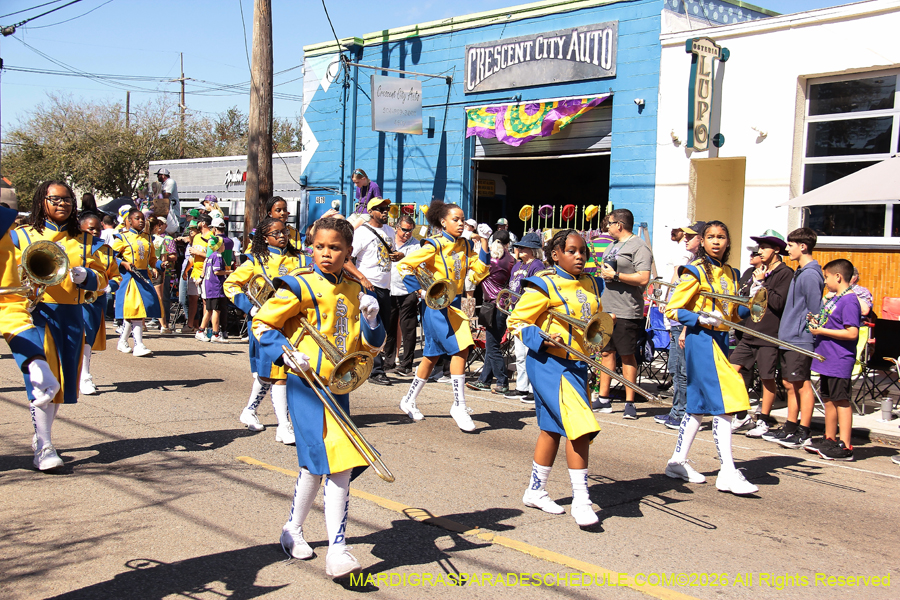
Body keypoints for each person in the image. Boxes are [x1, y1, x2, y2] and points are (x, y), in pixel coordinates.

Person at [253, 216, 385, 579]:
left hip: (338, 388)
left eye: (336, 248)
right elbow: (262, 324)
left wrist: (374, 322)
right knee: (338, 465)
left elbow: (369, 349)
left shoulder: (356, 291)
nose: (326, 254)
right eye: (320, 246)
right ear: (312, 246)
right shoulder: (297, 284)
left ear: (349, 252)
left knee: (317, 463)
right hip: (305, 385)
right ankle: (338, 551)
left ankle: (292, 529)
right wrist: (286, 352)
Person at [507, 229, 604, 526]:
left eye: (582, 251)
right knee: (580, 428)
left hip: (578, 365)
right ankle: (581, 498)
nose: (579, 256)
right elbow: (517, 321)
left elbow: (597, 323)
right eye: (572, 251)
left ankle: (535, 490)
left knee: (552, 429)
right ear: (555, 254)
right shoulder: (542, 285)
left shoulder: (592, 283)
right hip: (549, 363)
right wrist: (542, 339)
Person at [9, 182, 108, 471]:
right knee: (41, 383)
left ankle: (43, 437)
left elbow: (103, 279)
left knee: (60, 385)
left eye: (67, 199)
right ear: (42, 201)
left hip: (72, 315)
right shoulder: (21, 235)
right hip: (36, 314)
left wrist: (88, 276)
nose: (62, 204)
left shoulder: (85, 239)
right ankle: (45, 445)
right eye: (55, 199)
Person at [662, 220, 758, 495]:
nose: (716, 241)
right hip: (700, 340)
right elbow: (673, 309)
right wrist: (700, 318)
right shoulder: (694, 271)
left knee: (697, 406)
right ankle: (727, 470)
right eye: (711, 237)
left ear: (728, 242)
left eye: (722, 237)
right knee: (727, 400)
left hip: (719, 340)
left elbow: (731, 315)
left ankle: (677, 461)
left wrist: (752, 304)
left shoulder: (732, 273)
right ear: (702, 241)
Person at [396, 199, 490, 431]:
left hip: (455, 302)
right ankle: (459, 405)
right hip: (436, 305)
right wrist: (420, 290)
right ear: (443, 221)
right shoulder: (434, 245)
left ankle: (408, 399)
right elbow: (404, 266)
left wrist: (486, 242)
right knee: (462, 348)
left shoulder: (465, 246)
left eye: (462, 220)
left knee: (432, 356)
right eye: (455, 220)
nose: (461, 224)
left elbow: (480, 270)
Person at [224, 217, 310, 442]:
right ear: (264, 238)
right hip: (266, 323)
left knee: (268, 373)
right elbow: (230, 284)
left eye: (285, 232)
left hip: (292, 323)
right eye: (276, 233)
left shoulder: (299, 257)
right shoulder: (256, 259)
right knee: (279, 374)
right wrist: (250, 308)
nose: (282, 236)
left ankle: (250, 410)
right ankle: (284, 425)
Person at [764, 228, 824, 449]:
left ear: (803, 246)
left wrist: (807, 332)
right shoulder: (801, 271)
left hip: (800, 338)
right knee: (790, 383)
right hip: (789, 336)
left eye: (790, 245)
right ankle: (790, 426)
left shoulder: (809, 274)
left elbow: (815, 309)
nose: (787, 249)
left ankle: (804, 431)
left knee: (801, 383)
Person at [729, 231, 793, 438]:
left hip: (769, 334)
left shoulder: (785, 273)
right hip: (749, 330)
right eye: (759, 247)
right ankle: (741, 414)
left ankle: (764, 419)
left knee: (767, 377)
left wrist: (762, 283)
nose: (760, 251)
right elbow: (745, 299)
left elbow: (778, 303)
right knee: (732, 370)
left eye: (764, 247)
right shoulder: (755, 271)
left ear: (776, 250)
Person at [596, 208, 652, 419]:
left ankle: (630, 401)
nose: (607, 227)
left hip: (627, 310)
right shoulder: (612, 245)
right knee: (606, 353)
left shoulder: (639, 246)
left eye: (609, 223)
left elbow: (644, 278)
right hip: (608, 307)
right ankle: (603, 398)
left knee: (627, 355)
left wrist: (617, 276)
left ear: (619, 225)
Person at [805, 259, 861, 461]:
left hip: (839, 359)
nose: (826, 281)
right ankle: (830, 438)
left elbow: (852, 332)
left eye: (827, 277)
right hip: (826, 357)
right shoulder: (836, 298)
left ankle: (845, 445)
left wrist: (821, 330)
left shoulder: (849, 300)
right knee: (828, 399)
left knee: (841, 400)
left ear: (838, 276)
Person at [344, 197, 401, 386]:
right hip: (368, 286)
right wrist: (362, 278)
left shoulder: (389, 231)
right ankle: (376, 370)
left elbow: (388, 254)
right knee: (373, 327)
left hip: (385, 287)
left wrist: (398, 255)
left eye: (386, 208)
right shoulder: (361, 233)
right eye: (380, 209)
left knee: (383, 328)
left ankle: (370, 366)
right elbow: (346, 259)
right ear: (371, 212)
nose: (385, 211)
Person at [653, 221, 703, 429]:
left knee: (683, 370)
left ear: (701, 239)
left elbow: (695, 303)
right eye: (686, 236)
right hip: (676, 322)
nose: (686, 239)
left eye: (691, 237)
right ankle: (676, 410)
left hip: (684, 324)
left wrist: (684, 328)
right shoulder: (687, 260)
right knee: (675, 367)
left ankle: (683, 413)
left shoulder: (697, 265)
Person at [78, 212, 122, 395]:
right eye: (90, 228)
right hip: (71, 299)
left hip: (94, 300)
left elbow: (116, 277)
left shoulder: (107, 251)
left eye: (98, 228)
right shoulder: (72, 246)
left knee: (88, 337)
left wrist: (108, 286)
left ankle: (85, 376)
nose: (95, 231)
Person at [467, 229, 514, 394]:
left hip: (493, 306)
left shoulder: (490, 262)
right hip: (503, 305)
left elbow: (474, 277)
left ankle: (502, 381)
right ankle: (484, 380)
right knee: (493, 343)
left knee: (492, 345)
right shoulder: (511, 260)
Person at [504, 232, 546, 402]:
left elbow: (536, 290)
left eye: (523, 247)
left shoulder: (538, 266)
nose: (519, 249)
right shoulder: (517, 265)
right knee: (520, 354)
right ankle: (521, 387)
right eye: (519, 246)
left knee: (530, 353)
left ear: (533, 249)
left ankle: (532, 389)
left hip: (530, 315)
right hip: (516, 312)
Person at [112, 208, 160, 357]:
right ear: (129, 221)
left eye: (142, 219)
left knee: (135, 311)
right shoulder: (121, 238)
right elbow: (110, 256)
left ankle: (122, 341)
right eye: (137, 218)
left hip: (144, 276)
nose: (141, 221)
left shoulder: (148, 238)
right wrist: (123, 263)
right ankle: (139, 345)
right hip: (129, 277)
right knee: (136, 310)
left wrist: (159, 265)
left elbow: (152, 259)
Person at [384, 215, 420, 377]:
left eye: (410, 230)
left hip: (408, 291)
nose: (407, 233)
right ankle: (389, 361)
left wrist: (404, 257)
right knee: (390, 328)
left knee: (409, 330)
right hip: (389, 289)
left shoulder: (416, 245)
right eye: (404, 230)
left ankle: (406, 364)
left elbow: (420, 264)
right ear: (396, 227)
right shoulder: (388, 240)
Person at [197, 236, 227, 342]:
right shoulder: (218, 256)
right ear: (219, 246)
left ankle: (200, 330)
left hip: (208, 285)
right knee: (216, 310)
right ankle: (215, 333)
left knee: (209, 310)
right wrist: (230, 272)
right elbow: (217, 271)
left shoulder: (210, 256)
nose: (224, 246)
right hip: (215, 286)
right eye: (223, 244)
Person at [150, 217, 177, 335]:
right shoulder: (151, 239)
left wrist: (161, 265)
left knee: (162, 298)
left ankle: (164, 322)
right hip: (156, 270)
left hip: (162, 271)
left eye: (161, 224)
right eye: (157, 224)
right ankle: (157, 321)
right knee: (156, 297)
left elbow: (172, 256)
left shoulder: (167, 239)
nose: (159, 226)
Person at [188, 215, 214, 338]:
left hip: (206, 273)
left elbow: (213, 256)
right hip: (194, 272)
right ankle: (191, 325)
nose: (197, 223)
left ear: (203, 223)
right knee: (192, 299)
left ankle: (204, 328)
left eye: (198, 221)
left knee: (205, 302)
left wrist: (198, 252)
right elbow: (192, 255)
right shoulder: (197, 237)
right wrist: (186, 269)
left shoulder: (212, 237)